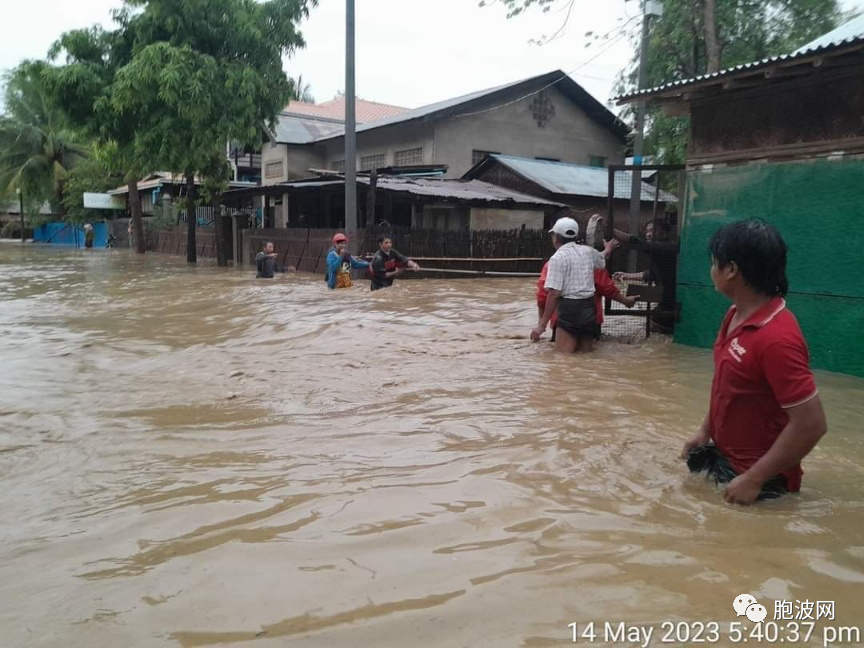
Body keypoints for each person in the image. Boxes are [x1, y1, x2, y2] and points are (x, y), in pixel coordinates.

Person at [681, 220, 827, 505]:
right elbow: (728, 386)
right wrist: (704, 431)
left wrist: (754, 479)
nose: (711, 271)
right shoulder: (735, 314)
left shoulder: (776, 338)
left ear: (732, 270)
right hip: (728, 463)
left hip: (761, 484)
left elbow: (811, 424)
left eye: (714, 263)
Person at [531, 217, 616, 353]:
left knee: (563, 359)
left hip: (569, 310)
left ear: (556, 238)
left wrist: (541, 326)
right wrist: (608, 249)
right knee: (585, 356)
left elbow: (554, 293)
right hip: (589, 309)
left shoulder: (557, 258)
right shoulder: (588, 252)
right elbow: (602, 258)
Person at [536, 256, 636, 342]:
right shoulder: (593, 263)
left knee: (561, 356)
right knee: (589, 353)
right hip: (590, 319)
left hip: (561, 320)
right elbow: (607, 288)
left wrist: (541, 323)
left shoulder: (552, 264)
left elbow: (543, 296)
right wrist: (625, 301)